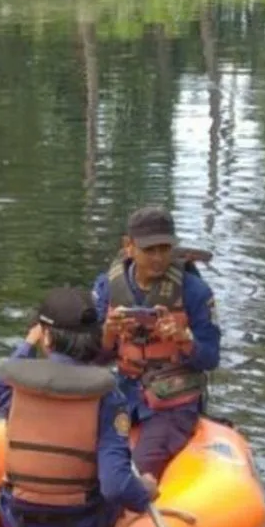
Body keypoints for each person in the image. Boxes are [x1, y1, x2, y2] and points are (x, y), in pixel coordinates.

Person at [0, 287, 158, 527]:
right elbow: (115, 485)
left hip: (18, 523)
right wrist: (144, 493)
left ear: (47, 337)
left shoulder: (18, 385)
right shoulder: (108, 396)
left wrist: (27, 344)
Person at [91, 206, 221, 482]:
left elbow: (211, 357)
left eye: (164, 249)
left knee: (135, 472)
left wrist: (184, 340)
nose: (159, 258)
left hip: (172, 403)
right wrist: (109, 333)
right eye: (149, 250)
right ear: (129, 246)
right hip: (124, 394)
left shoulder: (195, 292)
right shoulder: (106, 288)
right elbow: (95, 357)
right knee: (87, 454)